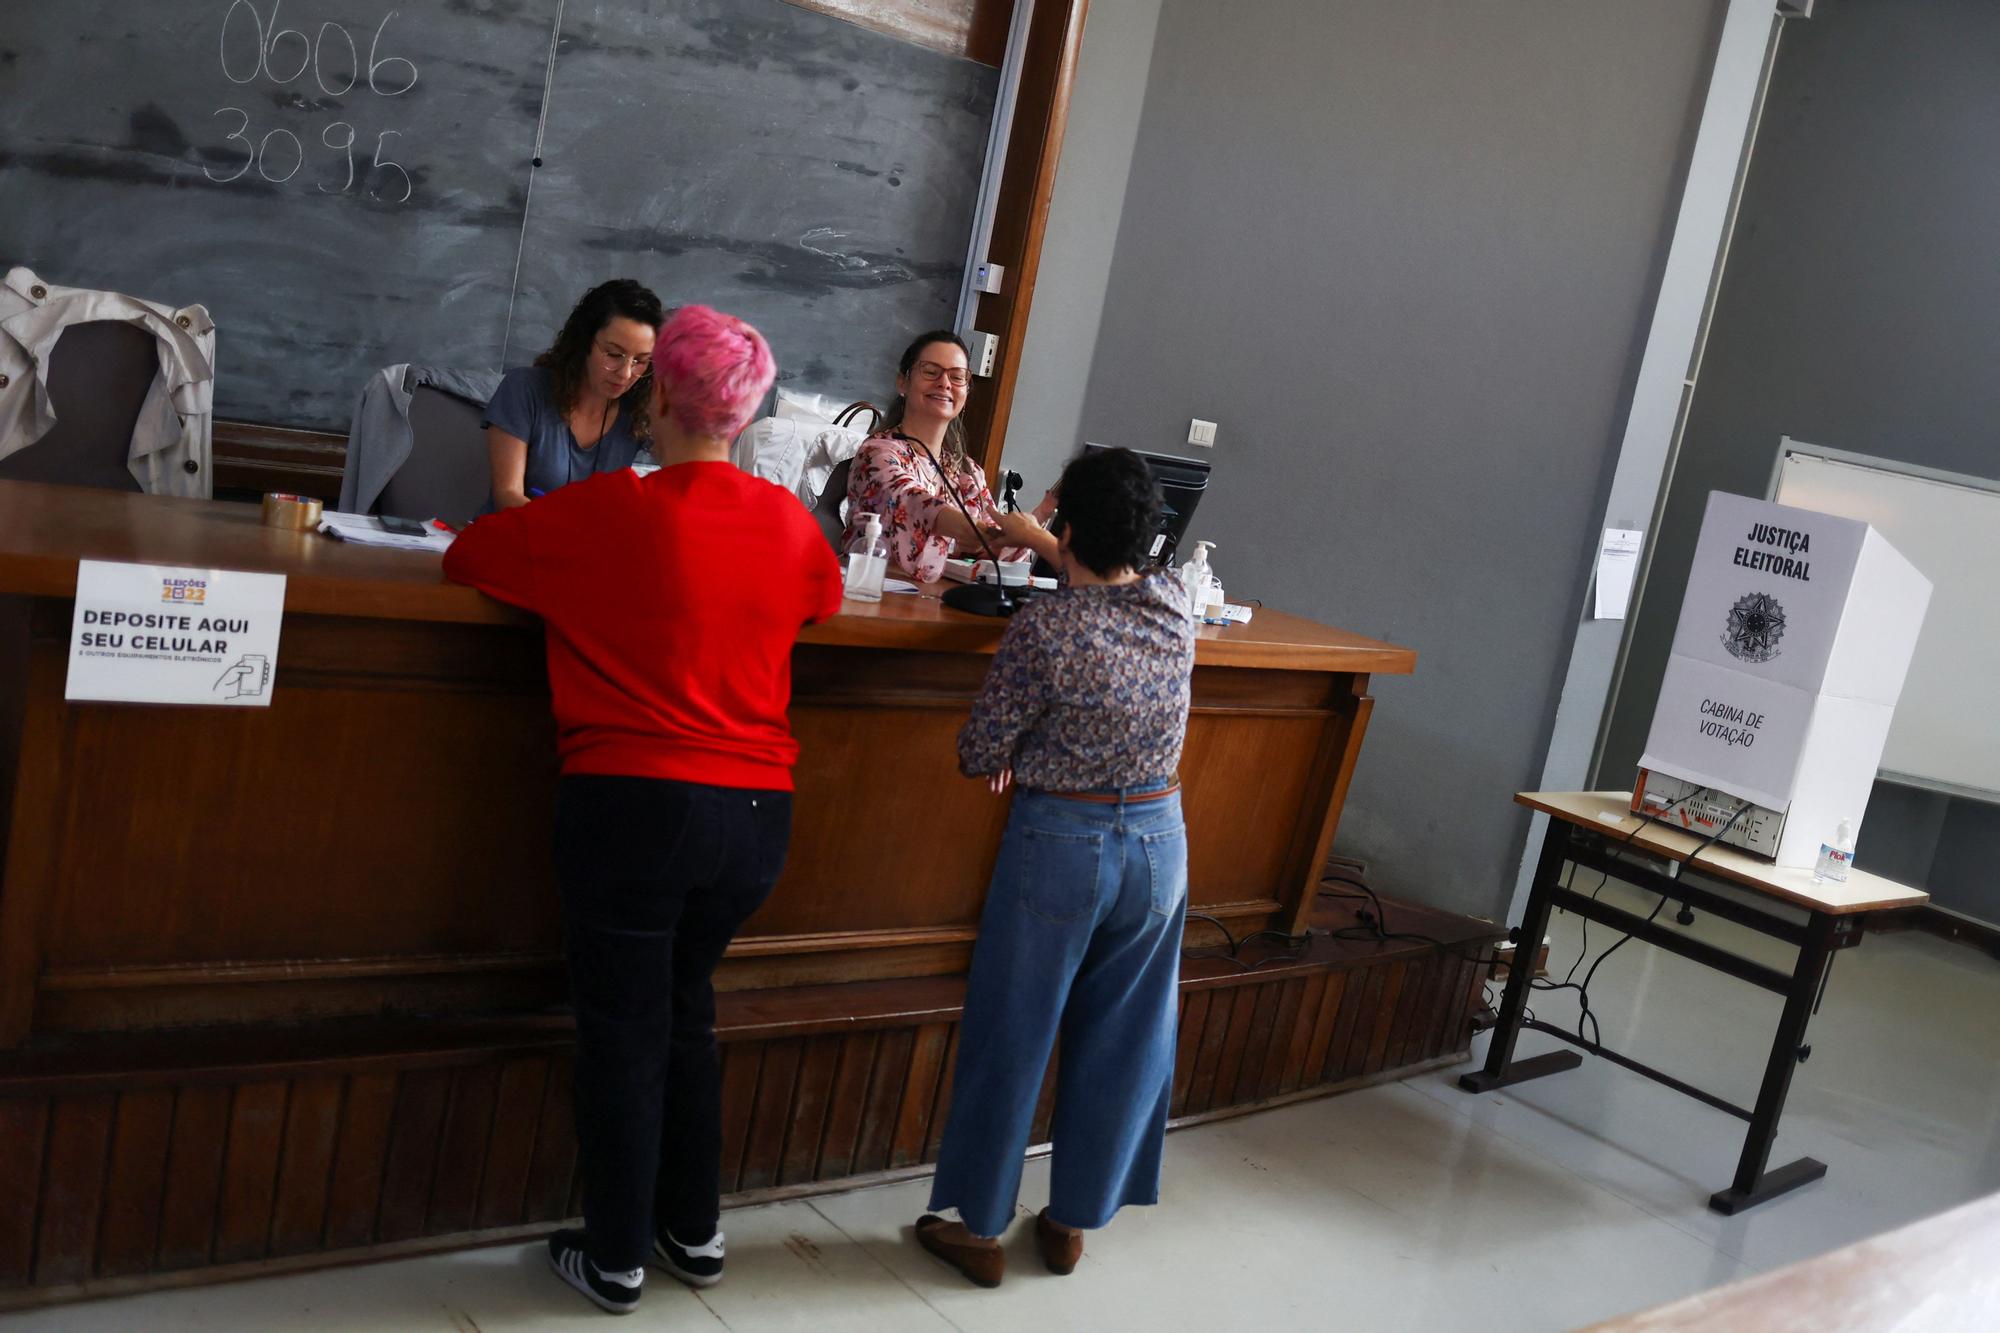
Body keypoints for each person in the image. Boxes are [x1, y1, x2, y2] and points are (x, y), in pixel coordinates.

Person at [442, 305, 842, 1316]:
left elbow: (470, 559)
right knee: (684, 1011)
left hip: (633, 804)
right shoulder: (791, 524)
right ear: (746, 416)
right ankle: (694, 1231)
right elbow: (822, 598)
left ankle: (615, 1254)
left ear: (657, 396)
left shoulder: (605, 512)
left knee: (621, 1024)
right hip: (756, 816)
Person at [914, 446, 1195, 1286]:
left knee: (1015, 1028)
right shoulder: (1175, 603)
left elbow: (979, 751)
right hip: (1159, 844)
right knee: (1128, 1038)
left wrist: (1029, 749)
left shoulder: (1046, 627)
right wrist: (1058, 537)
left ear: (1065, 528)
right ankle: (1072, 1219)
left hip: (1062, 847)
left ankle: (977, 1225)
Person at [842, 331, 1058, 582]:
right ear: (903, 383)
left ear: (965, 393)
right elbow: (911, 503)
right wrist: (974, 530)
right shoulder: (878, 451)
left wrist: (1037, 519)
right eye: (931, 371)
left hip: (939, 604)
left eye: (956, 377)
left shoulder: (969, 472)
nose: (944, 383)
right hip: (872, 593)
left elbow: (990, 555)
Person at [483, 279, 664, 509]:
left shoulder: (636, 412)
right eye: (614, 354)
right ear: (584, 341)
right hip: (510, 538)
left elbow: (688, 468)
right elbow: (507, 495)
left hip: (583, 544)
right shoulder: (525, 388)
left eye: (641, 361)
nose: (626, 373)